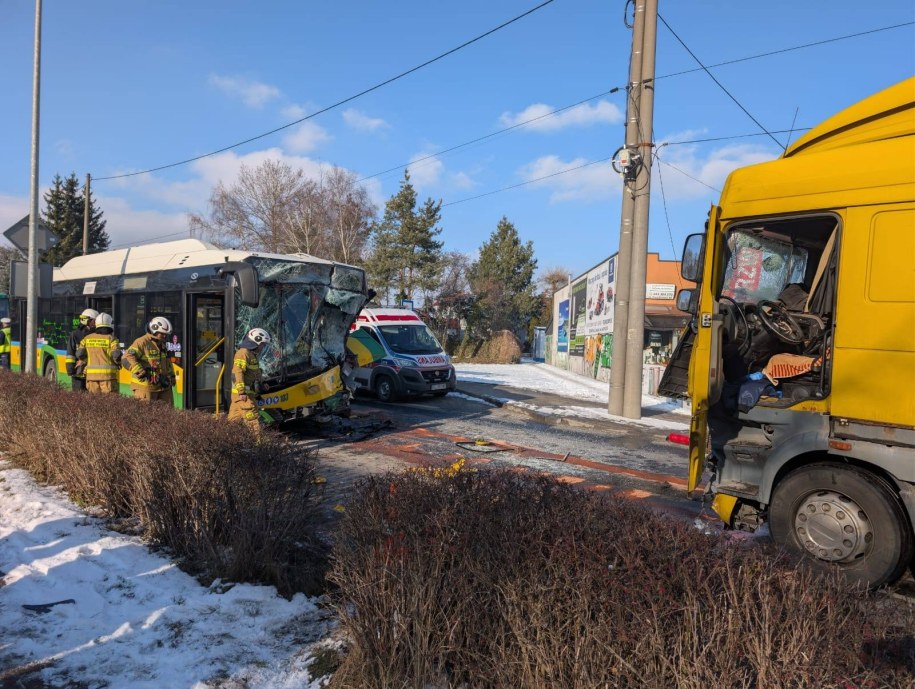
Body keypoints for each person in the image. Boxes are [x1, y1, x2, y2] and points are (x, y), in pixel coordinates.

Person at [229, 327, 271, 433]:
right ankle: (260, 447)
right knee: (253, 422)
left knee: (232, 424)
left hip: (243, 396)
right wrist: (241, 392)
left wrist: (263, 383)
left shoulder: (252, 355)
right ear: (256, 341)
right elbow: (237, 373)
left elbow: (256, 372)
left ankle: (228, 445)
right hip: (244, 396)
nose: (263, 347)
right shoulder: (243, 353)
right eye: (262, 344)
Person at [123, 317, 174, 402]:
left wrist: (171, 376)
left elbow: (167, 362)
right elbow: (127, 357)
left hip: (163, 387)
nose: (165, 336)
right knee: (146, 413)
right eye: (162, 334)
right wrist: (140, 371)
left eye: (166, 334)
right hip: (145, 387)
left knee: (167, 413)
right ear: (154, 330)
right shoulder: (142, 342)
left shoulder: (161, 344)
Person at [75, 313, 121, 394]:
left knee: (95, 403)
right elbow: (116, 356)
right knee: (109, 403)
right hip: (108, 377)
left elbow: (79, 354)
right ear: (110, 324)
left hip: (91, 378)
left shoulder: (87, 338)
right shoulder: (112, 339)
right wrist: (119, 363)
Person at [66, 308, 98, 392]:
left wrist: (71, 370)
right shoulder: (96, 335)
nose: (96, 323)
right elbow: (71, 354)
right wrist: (71, 369)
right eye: (94, 321)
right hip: (83, 374)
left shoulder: (74, 334)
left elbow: (70, 353)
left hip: (83, 373)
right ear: (89, 321)